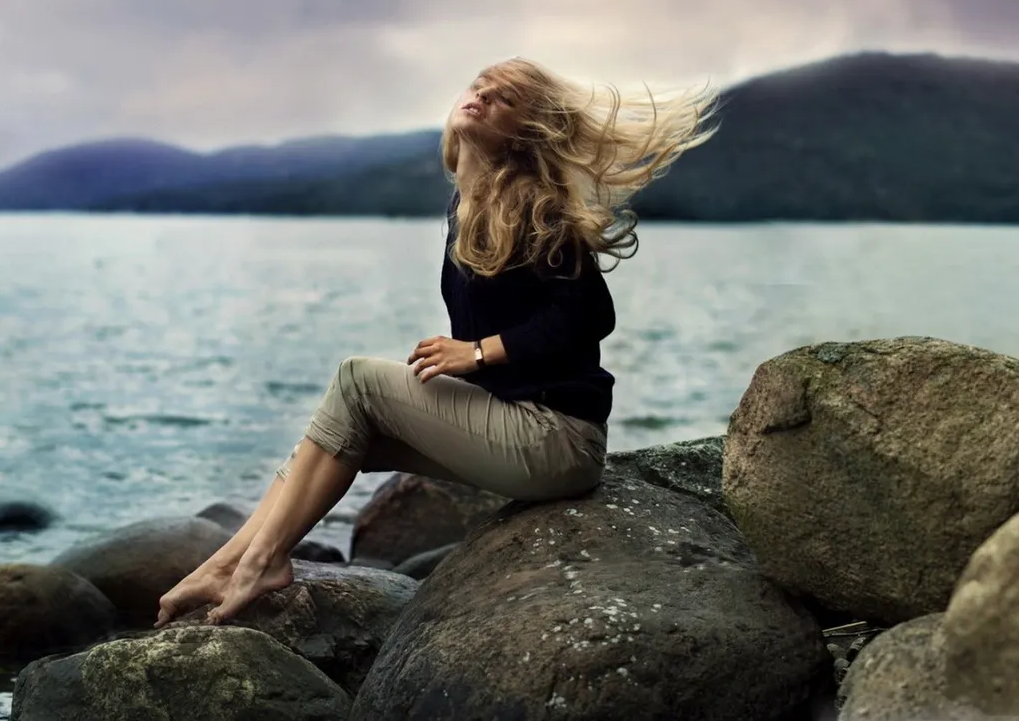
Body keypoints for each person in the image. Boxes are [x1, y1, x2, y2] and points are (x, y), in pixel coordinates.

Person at [155, 57, 720, 627]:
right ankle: (230, 563)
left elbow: (590, 314)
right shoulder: (469, 204)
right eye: (479, 86)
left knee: (357, 380)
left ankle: (262, 561)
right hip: (519, 425)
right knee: (331, 440)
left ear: (523, 132)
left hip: (555, 441)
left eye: (503, 99)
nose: (481, 97)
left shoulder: (534, 206)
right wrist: (476, 367)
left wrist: (476, 354)